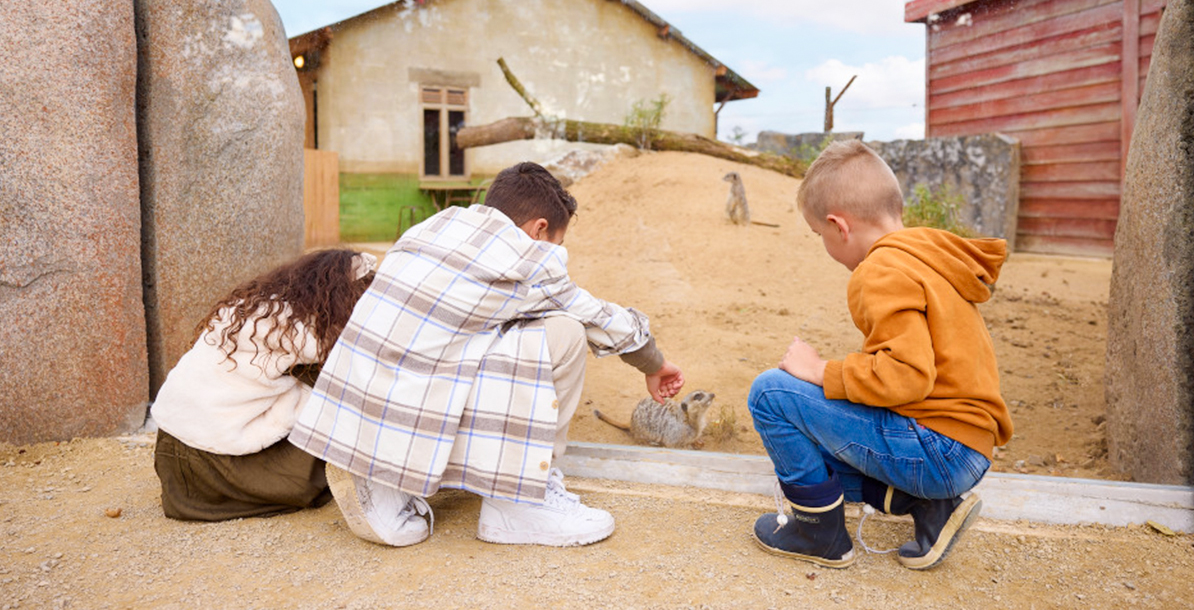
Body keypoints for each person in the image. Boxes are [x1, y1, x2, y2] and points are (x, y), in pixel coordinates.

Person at [290, 162, 685, 548]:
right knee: (563, 332)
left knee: (473, 332)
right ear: (539, 228)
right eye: (558, 244)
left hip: (357, 403)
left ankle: (378, 472)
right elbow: (598, 316)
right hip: (416, 410)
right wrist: (655, 363)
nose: (556, 253)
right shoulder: (526, 255)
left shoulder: (432, 227)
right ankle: (519, 503)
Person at [747, 140, 1012, 571]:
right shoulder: (928, 257)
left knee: (771, 394)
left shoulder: (879, 270)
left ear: (839, 226)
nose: (825, 244)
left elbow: (906, 376)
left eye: (820, 235)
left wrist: (818, 370)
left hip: (938, 450)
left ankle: (819, 533)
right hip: (966, 448)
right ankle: (928, 506)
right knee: (818, 424)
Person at [151, 248, 377, 521]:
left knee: (307, 379)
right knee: (344, 387)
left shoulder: (256, 309)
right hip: (215, 463)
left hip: (172, 456)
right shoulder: (301, 328)